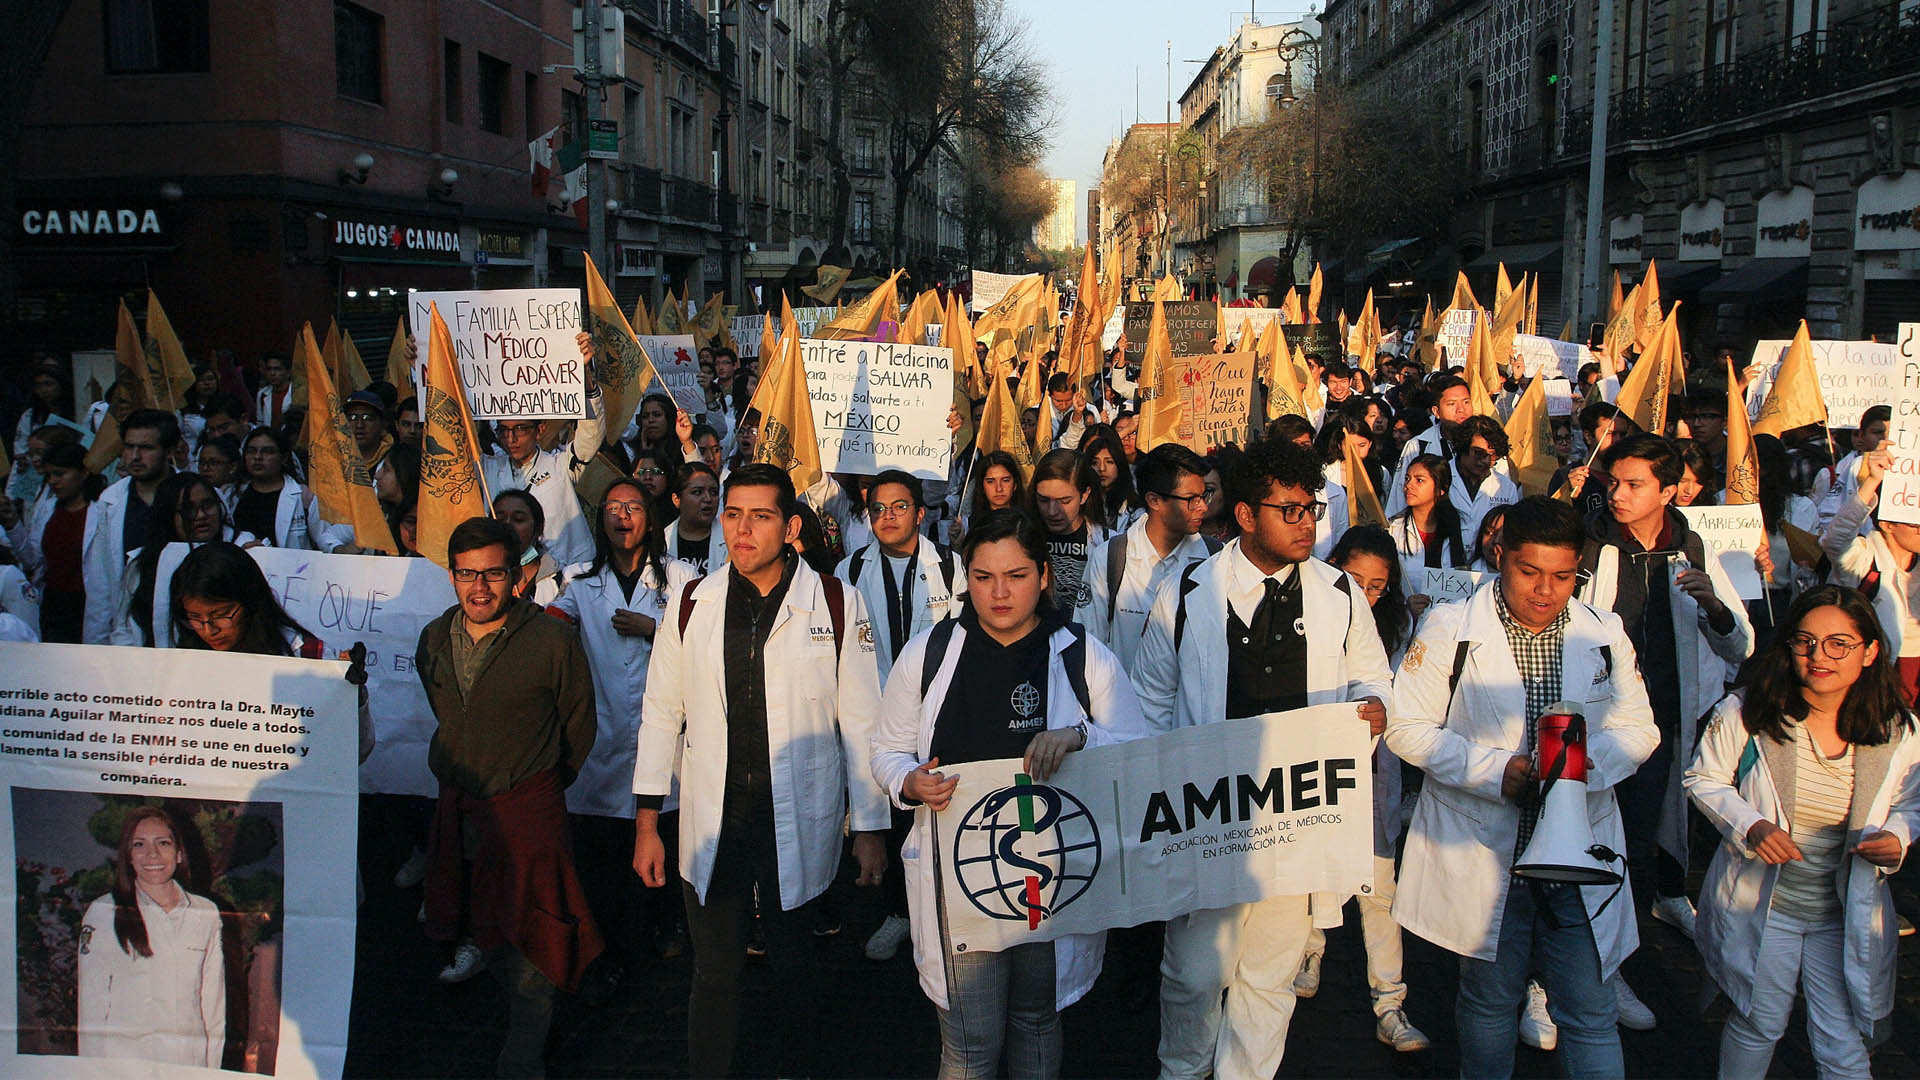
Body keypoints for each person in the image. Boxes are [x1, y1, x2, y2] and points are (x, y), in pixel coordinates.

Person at [1131, 439, 1392, 1080]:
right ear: (1246, 516)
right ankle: (1184, 1069)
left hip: (1298, 814)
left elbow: (1373, 677)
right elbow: (1150, 700)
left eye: (1312, 509)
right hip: (1207, 816)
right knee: (1194, 971)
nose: (1307, 524)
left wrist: (1374, 710)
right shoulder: (1189, 590)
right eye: (1291, 511)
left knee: (1270, 975)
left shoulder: (1339, 592)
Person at [870, 509, 1149, 1078]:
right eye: (982, 577)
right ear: (964, 579)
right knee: (970, 1045)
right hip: (959, 880)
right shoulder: (929, 654)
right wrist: (908, 781)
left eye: (1016, 576)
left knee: (1036, 1022)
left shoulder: (1080, 654)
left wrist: (1078, 736)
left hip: (1048, 880)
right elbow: (886, 749)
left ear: (1044, 576)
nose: (998, 593)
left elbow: (1135, 748)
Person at [1388, 495, 1659, 1079]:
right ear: (1500, 555)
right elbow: (1407, 727)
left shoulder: (1603, 633)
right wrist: (1493, 770)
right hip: (1491, 855)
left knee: (1590, 1009)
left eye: (1563, 577)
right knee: (1490, 998)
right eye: (1529, 572)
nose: (1545, 591)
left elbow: (1642, 731)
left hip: (1579, 857)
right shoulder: (1451, 627)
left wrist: (1579, 767)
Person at [634, 463, 887, 1078]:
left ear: (791, 526)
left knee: (796, 967)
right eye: (732, 514)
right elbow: (662, 712)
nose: (742, 530)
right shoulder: (693, 601)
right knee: (713, 970)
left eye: (761, 516)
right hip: (714, 820)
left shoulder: (834, 599)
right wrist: (647, 823)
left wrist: (872, 828)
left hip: (795, 817)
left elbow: (860, 720)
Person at [1686, 585, 1920, 1078]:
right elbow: (1703, 779)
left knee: (1842, 1037)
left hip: (1842, 915)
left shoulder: (1900, 731)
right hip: (1767, 909)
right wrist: (1750, 825)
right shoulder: (1748, 713)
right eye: (1805, 641)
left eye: (1839, 643)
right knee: (1758, 1023)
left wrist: (1897, 834)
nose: (1820, 656)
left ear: (1870, 650)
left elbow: (1912, 801)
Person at [416, 516, 602, 1077]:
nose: (480, 587)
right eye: (467, 574)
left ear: (516, 576)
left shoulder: (551, 639)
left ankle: (523, 1055)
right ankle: (531, 1022)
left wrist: (537, 784)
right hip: (464, 811)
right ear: (451, 577)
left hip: (528, 811)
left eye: (493, 573)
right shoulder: (432, 639)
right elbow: (444, 714)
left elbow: (579, 726)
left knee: (534, 935)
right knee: (483, 924)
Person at [1579, 434, 1752, 957]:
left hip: (1673, 711)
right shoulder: (1593, 545)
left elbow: (1740, 643)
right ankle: (1604, 942)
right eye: (1613, 483)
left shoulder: (1694, 548)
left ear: (1670, 491)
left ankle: (1666, 895)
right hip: (1606, 718)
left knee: (1666, 816)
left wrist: (1715, 608)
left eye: (1634, 485)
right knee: (1610, 824)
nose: (1618, 495)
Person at [548, 478, 697, 998]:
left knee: (667, 842)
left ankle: (667, 923)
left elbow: (704, 645)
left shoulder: (681, 579)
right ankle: (608, 947)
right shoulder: (579, 583)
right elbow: (546, 627)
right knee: (605, 858)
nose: (622, 517)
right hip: (603, 740)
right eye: (612, 508)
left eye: (633, 506)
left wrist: (654, 630)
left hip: (668, 742)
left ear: (651, 518)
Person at [1291, 524, 1431, 1051]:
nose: (1365, 594)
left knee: (1379, 887)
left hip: (1377, 775)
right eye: (1355, 579)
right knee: (1314, 868)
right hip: (1321, 770)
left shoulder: (1402, 627)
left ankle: (1390, 1002)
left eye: (1377, 586)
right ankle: (1310, 948)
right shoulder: (1313, 614)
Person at [835, 468, 966, 962]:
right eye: (878, 509)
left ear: (921, 510)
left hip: (940, 714)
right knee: (891, 817)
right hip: (879, 714)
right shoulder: (847, 572)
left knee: (941, 813)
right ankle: (899, 914)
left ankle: (949, 914)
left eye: (899, 507)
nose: (888, 517)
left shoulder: (951, 567)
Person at [77, 806, 224, 1068]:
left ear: (179, 853)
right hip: (126, 1066)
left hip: (188, 1065)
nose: (152, 854)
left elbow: (212, 1005)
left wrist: (211, 1071)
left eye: (163, 843)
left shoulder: (206, 913)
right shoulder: (104, 912)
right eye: (139, 844)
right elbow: (92, 1007)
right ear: (128, 856)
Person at [1084, 443, 1219, 671]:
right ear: (1154, 500)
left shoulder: (1215, 559)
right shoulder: (1110, 559)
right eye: (1191, 499)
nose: (1203, 507)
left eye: (1205, 495)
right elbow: (1089, 646)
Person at [1819, 447, 1920, 702]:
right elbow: (1835, 539)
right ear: (1887, 524)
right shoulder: (1863, 560)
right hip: (1874, 680)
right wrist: (1873, 480)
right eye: (1914, 523)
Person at [118, 472, 255, 646]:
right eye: (188, 509)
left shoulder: (244, 547)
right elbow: (124, 628)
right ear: (168, 515)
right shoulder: (143, 563)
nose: (201, 515)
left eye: (208, 505)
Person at [82, 409, 179, 643]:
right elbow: (101, 582)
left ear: (170, 450)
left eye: (146, 448)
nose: (135, 456)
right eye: (128, 447)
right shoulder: (110, 501)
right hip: (129, 631)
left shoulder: (197, 496)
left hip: (182, 626)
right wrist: (97, 646)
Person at [7, 441, 95, 642]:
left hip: (87, 605)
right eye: (49, 476)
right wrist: (13, 523)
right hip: (53, 604)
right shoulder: (48, 508)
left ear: (83, 473)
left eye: (60, 474)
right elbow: (33, 561)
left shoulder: (102, 510)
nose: (53, 481)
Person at [230, 426, 345, 552]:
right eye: (251, 451)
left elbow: (324, 539)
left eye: (267, 451)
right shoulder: (232, 494)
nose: (258, 457)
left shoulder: (305, 497)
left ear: (284, 458)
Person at [1029, 449, 1109, 616]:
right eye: (1044, 500)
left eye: (1064, 501)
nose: (1052, 511)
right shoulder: (1022, 538)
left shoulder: (1110, 545)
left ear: (1084, 495)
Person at [1387, 454, 1470, 616]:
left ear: (1440, 489)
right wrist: (1406, 604)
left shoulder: (1464, 528)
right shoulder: (1392, 529)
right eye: (1407, 478)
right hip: (1404, 623)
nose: (1408, 485)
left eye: (1419, 480)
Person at [1385, 373, 1474, 516]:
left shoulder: (1486, 442)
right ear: (1436, 411)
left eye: (1466, 402)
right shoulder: (1418, 446)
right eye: (1452, 404)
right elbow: (1399, 498)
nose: (1461, 409)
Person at [1448, 414, 1521, 545]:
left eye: (1492, 455)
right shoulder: (1438, 477)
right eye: (1479, 453)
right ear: (1463, 447)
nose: (1486, 461)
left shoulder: (1506, 488)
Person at [494, 488, 571, 606]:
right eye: (500, 519)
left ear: (538, 529)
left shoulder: (564, 583)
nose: (507, 525)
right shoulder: (478, 582)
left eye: (518, 519)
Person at [664, 461, 725, 572]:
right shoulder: (662, 543)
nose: (708, 499)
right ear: (676, 499)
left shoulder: (731, 539)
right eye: (697, 492)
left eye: (714, 492)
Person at [1079, 423, 1141, 529]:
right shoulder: (1079, 503)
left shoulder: (1134, 508)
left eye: (1109, 462)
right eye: (1094, 463)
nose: (1102, 468)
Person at [343, 390, 394, 471]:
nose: (359, 425)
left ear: (383, 427)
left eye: (367, 418)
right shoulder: (334, 459)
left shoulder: (395, 461)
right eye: (352, 418)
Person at [254, 353, 295, 427]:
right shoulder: (262, 394)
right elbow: (260, 422)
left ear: (288, 372)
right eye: (269, 369)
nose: (272, 373)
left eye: (277, 369)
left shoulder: (296, 392)